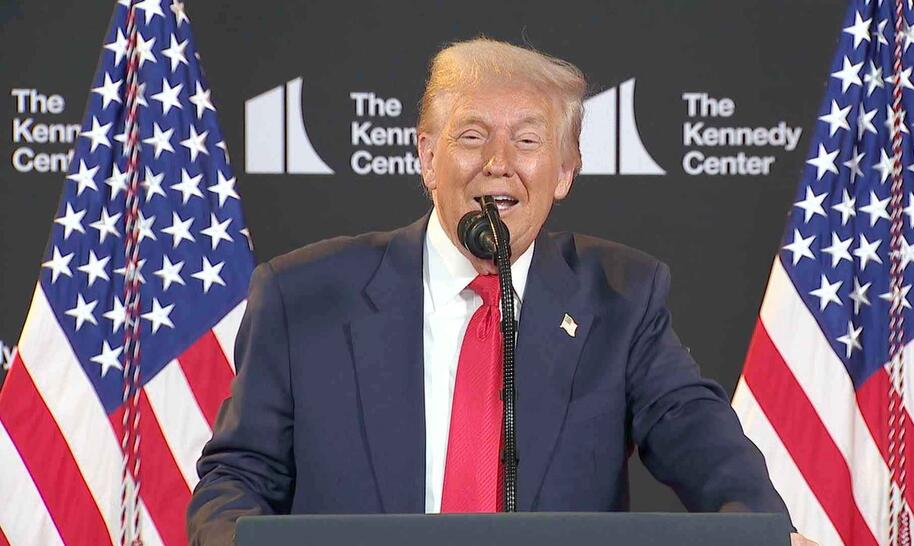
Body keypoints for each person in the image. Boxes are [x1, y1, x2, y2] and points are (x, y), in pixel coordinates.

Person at [188, 38, 816, 546]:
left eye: (528, 140)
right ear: (427, 158)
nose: (498, 162)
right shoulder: (303, 295)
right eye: (471, 136)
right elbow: (238, 476)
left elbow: (699, 437)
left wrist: (765, 533)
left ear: (565, 171)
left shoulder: (620, 299)